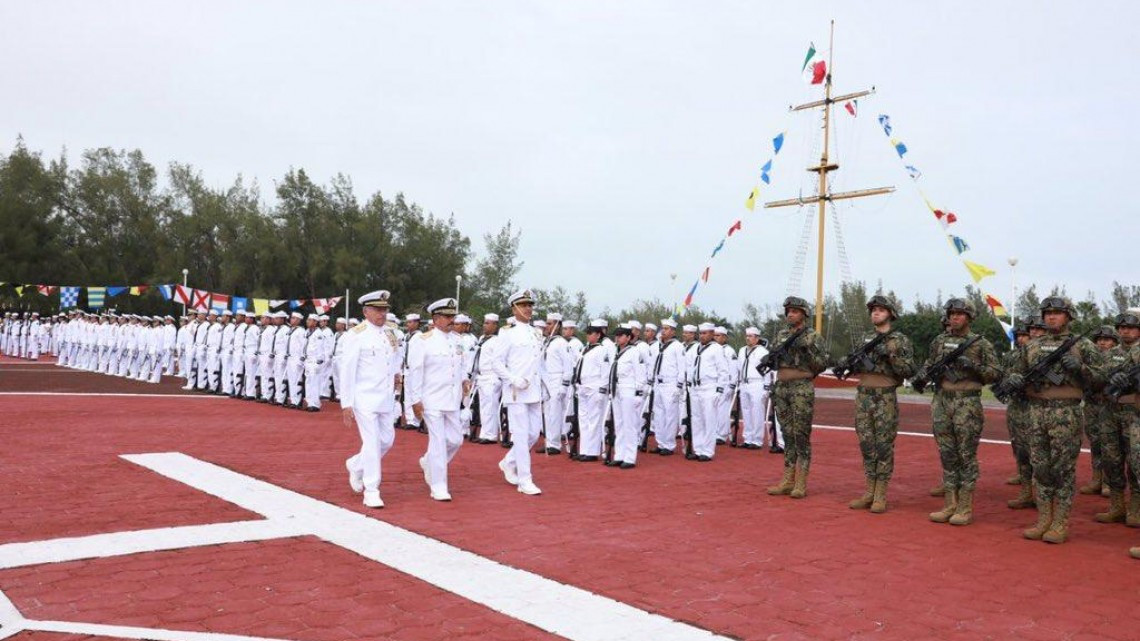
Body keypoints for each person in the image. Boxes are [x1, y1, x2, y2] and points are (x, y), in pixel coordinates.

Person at [1006, 296, 1104, 543]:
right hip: (1035, 412)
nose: (1051, 317)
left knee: (1062, 469)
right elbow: (1015, 372)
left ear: (1068, 316)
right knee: (1040, 467)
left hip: (1066, 412)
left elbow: (1102, 379)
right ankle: (1043, 519)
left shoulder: (1082, 346)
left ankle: (1060, 522)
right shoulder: (1032, 346)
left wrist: (1080, 368)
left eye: (1057, 313)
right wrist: (1014, 379)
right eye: (1047, 313)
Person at [922, 298, 1002, 526]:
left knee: (966, 455)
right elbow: (929, 364)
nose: (954, 317)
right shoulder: (939, 341)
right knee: (947, 453)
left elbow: (995, 373)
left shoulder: (980, 344)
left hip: (967, 403)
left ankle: (964, 507)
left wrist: (973, 366)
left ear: (969, 317)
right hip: (942, 400)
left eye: (959, 314)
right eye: (951, 314)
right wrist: (925, 374)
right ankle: (950, 504)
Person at [846, 295, 916, 513]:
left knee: (883, 445)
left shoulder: (900, 340)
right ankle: (869, 490)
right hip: (864, 396)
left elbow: (909, 370)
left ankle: (880, 494)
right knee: (866, 444)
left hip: (885, 397)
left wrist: (891, 354)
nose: (875, 313)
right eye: (873, 310)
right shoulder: (865, 338)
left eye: (881, 310)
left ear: (890, 314)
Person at [340, 290, 401, 508]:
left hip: (385, 397)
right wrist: (346, 403)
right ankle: (372, 490)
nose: (382, 314)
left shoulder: (391, 333)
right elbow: (347, 370)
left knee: (387, 440)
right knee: (373, 442)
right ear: (366, 312)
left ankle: (356, 465)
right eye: (377, 310)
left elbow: (395, 359)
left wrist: (397, 376)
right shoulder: (356, 335)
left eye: (384, 309)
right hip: (364, 398)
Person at [766, 296, 828, 498]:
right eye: (788, 311)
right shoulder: (781, 335)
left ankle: (801, 481)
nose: (790, 314)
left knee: (801, 434)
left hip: (801, 387)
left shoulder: (812, 337)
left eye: (795, 311)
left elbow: (822, 364)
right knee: (787, 433)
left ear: (804, 314)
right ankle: (787, 478)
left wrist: (806, 349)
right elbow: (774, 359)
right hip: (782, 387)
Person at [406, 298, 467, 501]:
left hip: (452, 399)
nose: (451, 320)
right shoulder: (423, 340)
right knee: (439, 442)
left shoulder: (457, 340)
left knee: (456, 440)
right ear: (436, 318)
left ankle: (429, 462)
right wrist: (415, 400)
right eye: (447, 317)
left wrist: (465, 379)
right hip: (431, 399)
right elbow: (415, 371)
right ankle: (438, 486)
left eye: (452, 316)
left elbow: (460, 365)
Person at [491, 289, 545, 495]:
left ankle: (509, 461)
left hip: (534, 390)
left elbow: (539, 363)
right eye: (523, 305)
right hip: (516, 391)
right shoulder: (507, 333)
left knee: (533, 433)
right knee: (521, 436)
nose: (528, 309)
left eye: (530, 305)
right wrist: (513, 379)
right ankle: (525, 480)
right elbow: (496, 362)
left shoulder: (536, 332)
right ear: (514, 309)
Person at [1001, 319, 1036, 510]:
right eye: (1019, 336)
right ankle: (1026, 489)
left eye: (1025, 335)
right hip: (1016, 406)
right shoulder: (1010, 357)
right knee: (1019, 447)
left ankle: (1038, 490)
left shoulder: (1038, 354)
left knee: (1036, 450)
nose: (1022, 339)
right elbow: (1001, 376)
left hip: (1034, 406)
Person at [607, 324, 648, 468]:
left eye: (621, 336)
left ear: (629, 337)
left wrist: (639, 394)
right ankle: (619, 455)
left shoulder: (634, 352)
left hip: (629, 389)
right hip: (617, 389)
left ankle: (630, 457)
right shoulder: (616, 351)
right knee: (619, 424)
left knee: (629, 424)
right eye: (616, 335)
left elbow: (641, 374)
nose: (617, 338)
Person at [688, 323, 729, 462]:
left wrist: (719, 390)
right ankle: (698, 449)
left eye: (705, 333)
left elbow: (723, 371)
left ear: (712, 334)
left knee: (709, 420)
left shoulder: (717, 349)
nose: (702, 336)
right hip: (695, 387)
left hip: (709, 387)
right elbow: (690, 366)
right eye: (700, 333)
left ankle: (707, 451)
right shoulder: (695, 348)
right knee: (697, 420)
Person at [571, 319, 612, 461]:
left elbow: (605, 371)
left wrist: (602, 389)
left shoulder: (602, 350)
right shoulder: (585, 348)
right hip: (582, 386)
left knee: (594, 420)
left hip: (595, 386)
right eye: (587, 333)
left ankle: (592, 452)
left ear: (598, 335)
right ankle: (584, 449)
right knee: (583, 420)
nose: (588, 335)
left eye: (591, 333)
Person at [648, 318, 686, 456]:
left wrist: (679, 386)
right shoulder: (657, 346)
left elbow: (682, 368)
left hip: (671, 384)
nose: (663, 331)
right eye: (662, 328)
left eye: (667, 328)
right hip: (658, 383)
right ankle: (660, 442)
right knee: (658, 415)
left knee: (670, 415)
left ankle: (669, 444)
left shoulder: (677, 346)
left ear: (673, 331)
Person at [539, 312, 575, 454]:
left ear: (557, 325)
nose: (546, 326)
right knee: (547, 413)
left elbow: (568, 366)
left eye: (550, 323)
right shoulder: (548, 342)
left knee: (554, 413)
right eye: (547, 323)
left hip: (557, 379)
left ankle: (554, 444)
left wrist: (564, 385)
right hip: (547, 380)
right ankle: (549, 442)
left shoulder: (561, 343)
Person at [737, 327, 774, 451]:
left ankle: (757, 440)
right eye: (747, 336)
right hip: (744, 383)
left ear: (757, 338)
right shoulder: (742, 350)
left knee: (757, 412)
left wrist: (766, 386)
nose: (748, 338)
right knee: (746, 411)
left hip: (757, 383)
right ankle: (748, 438)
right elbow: (739, 368)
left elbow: (767, 370)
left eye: (751, 336)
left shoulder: (763, 351)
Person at [470, 314, 503, 444]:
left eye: (488, 323)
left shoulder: (498, 341)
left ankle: (491, 435)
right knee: (483, 407)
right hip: (481, 376)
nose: (485, 325)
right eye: (485, 323)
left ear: (495, 325)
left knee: (490, 406)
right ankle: (485, 433)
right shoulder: (482, 339)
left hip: (491, 376)